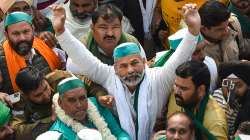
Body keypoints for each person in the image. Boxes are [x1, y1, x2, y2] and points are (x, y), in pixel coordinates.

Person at [51, 3, 201, 140]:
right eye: (123, 66)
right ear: (115, 68)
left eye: (134, 63)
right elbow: (81, 56)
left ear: (144, 62)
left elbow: (179, 57)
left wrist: (193, 31)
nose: (130, 70)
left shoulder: (158, 78)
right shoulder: (108, 76)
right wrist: (61, 31)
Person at [67, 4, 145, 70]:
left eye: (115, 27)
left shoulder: (132, 43)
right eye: (103, 27)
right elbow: (74, 78)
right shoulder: (82, 47)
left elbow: (144, 72)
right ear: (92, 28)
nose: (110, 33)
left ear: (121, 27)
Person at [48, 77, 130, 140]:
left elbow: (118, 133)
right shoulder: (58, 133)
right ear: (60, 103)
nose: (79, 105)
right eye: (71, 100)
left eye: (82, 98)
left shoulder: (96, 104)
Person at [0, 12, 62, 94]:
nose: (22, 38)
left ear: (33, 30)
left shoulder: (46, 44)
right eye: (15, 34)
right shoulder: (1, 60)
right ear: (6, 35)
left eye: (26, 32)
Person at [167, 60, 228, 140]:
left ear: (201, 90)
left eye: (183, 88)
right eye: (176, 85)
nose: (177, 92)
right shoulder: (178, 97)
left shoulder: (216, 123)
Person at [10, 67, 54, 140]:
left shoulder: (59, 78)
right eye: (38, 95)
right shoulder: (17, 101)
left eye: (46, 88)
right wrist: (49, 123)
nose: (46, 96)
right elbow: (16, 130)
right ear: (25, 95)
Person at [213, 62, 250, 136]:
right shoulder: (218, 98)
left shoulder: (244, 104)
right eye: (228, 84)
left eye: (239, 85)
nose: (233, 90)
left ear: (248, 87)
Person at [199, 0, 241, 65]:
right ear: (204, 29)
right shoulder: (195, 50)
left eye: (227, 25)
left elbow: (242, 47)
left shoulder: (233, 23)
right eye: (220, 29)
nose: (227, 31)